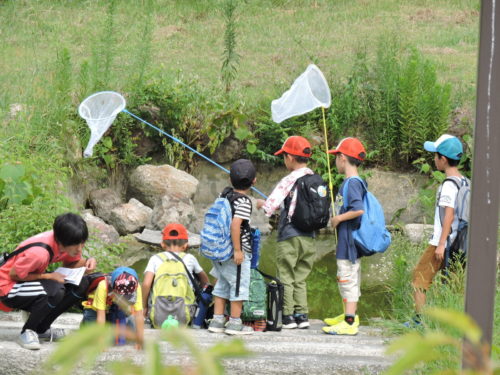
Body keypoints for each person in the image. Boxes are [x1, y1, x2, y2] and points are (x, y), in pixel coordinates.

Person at [0, 212, 96, 350]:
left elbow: (71, 263)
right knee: (55, 290)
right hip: (7, 287)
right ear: (62, 242)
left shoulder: (67, 241)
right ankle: (28, 331)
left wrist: (87, 261)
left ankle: (41, 329)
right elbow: (14, 275)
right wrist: (48, 277)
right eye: (76, 245)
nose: (80, 248)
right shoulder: (39, 253)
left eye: (82, 243)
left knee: (83, 283)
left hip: (25, 281)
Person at [406, 134, 466, 326]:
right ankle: (449, 324)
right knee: (452, 284)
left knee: (419, 278)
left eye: (436, 156)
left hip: (443, 242)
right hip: (460, 243)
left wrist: (440, 244)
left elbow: (448, 214)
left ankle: (418, 321)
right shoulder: (465, 182)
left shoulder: (449, 185)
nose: (434, 159)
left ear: (444, 159)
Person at [256, 136, 316, 329]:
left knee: (286, 274)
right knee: (301, 276)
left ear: (290, 157)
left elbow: (268, 208)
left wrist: (260, 204)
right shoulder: (315, 179)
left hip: (289, 235)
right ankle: (302, 315)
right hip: (309, 237)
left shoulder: (289, 179)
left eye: (284, 156)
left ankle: (288, 316)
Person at [322, 137, 366, 336]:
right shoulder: (351, 182)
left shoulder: (353, 183)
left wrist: (338, 218)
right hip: (348, 240)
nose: (335, 162)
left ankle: (349, 323)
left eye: (336, 157)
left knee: (346, 278)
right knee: (350, 277)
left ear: (342, 158)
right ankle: (350, 315)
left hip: (349, 241)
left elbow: (358, 210)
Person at [208, 159, 256, 335]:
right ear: (254, 181)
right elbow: (236, 225)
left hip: (218, 251)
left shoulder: (224, 194)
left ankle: (217, 320)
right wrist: (238, 250)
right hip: (233, 253)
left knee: (221, 284)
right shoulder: (244, 202)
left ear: (230, 179)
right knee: (238, 286)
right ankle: (235, 323)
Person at [141, 223, 209, 321]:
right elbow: (205, 282)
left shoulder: (155, 259)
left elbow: (146, 284)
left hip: (158, 313)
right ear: (186, 245)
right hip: (185, 313)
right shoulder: (190, 258)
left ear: (162, 244)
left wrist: (145, 307)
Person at [81, 267, 144, 347]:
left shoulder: (136, 286)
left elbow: (139, 315)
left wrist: (140, 340)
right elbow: (101, 316)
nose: (123, 296)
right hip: (95, 310)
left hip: (117, 309)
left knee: (119, 340)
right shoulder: (103, 285)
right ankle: (86, 322)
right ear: (113, 286)